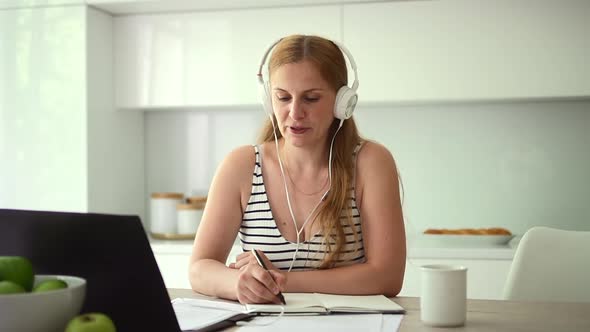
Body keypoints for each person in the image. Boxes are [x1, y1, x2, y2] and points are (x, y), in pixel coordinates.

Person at [189, 34, 406, 304]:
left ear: (342, 103)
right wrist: (238, 283)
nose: (294, 112)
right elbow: (200, 268)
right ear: (269, 99)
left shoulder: (371, 162)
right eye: (282, 97)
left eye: (311, 98)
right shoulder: (241, 166)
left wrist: (283, 280)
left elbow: (388, 277)